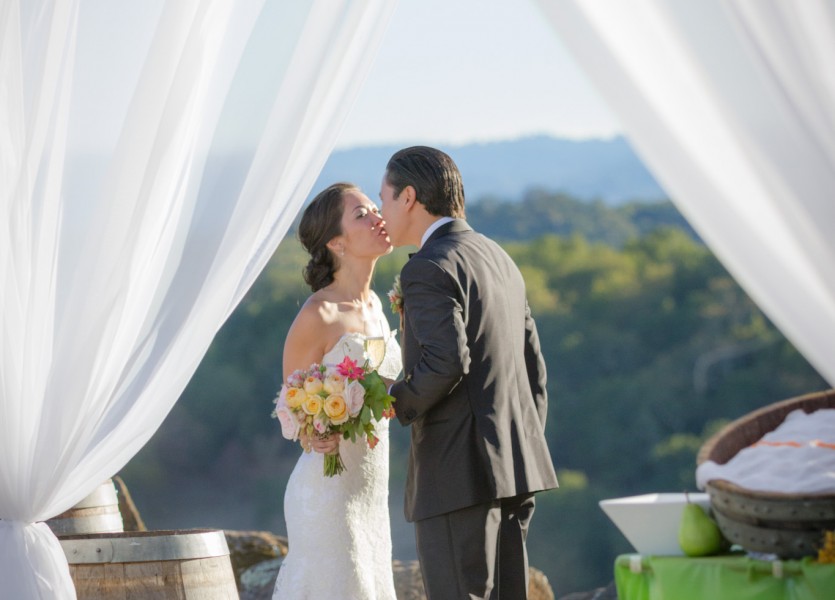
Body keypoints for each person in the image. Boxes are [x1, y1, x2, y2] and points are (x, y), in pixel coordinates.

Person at [380, 147, 559, 599]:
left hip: (457, 474)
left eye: (383, 198)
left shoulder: (427, 267)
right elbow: (532, 363)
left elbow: (447, 361)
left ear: (409, 197)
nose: (382, 211)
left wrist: (392, 399)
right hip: (516, 465)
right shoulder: (498, 257)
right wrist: (525, 436)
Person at [272, 182, 401, 599]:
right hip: (328, 496)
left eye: (373, 208)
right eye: (361, 215)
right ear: (337, 243)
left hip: (372, 490)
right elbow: (290, 409)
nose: (377, 217)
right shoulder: (318, 314)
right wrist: (313, 433)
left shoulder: (380, 306)